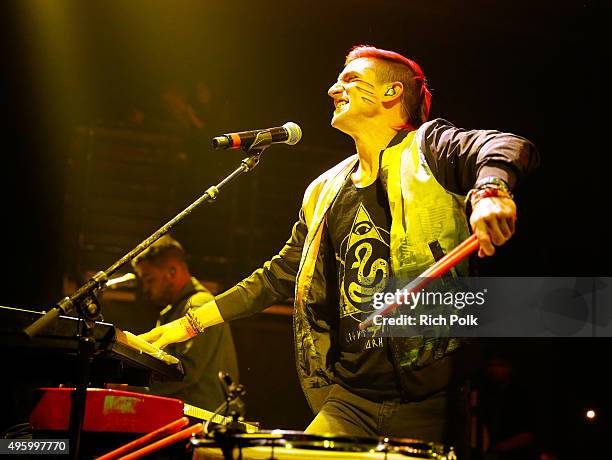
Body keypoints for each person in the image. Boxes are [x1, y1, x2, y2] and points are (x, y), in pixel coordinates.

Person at [139, 45, 539, 455]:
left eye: (349, 79)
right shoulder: (324, 189)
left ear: (391, 93)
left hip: (432, 398)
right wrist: (186, 325)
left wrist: (492, 191)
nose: (333, 89)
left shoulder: (431, 148)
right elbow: (279, 276)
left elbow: (507, 145)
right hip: (350, 399)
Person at [132, 235, 239, 411]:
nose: (145, 289)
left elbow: (185, 371)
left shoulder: (200, 306)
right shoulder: (175, 310)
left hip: (199, 424)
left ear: (172, 271)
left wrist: (130, 387)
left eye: (149, 279)